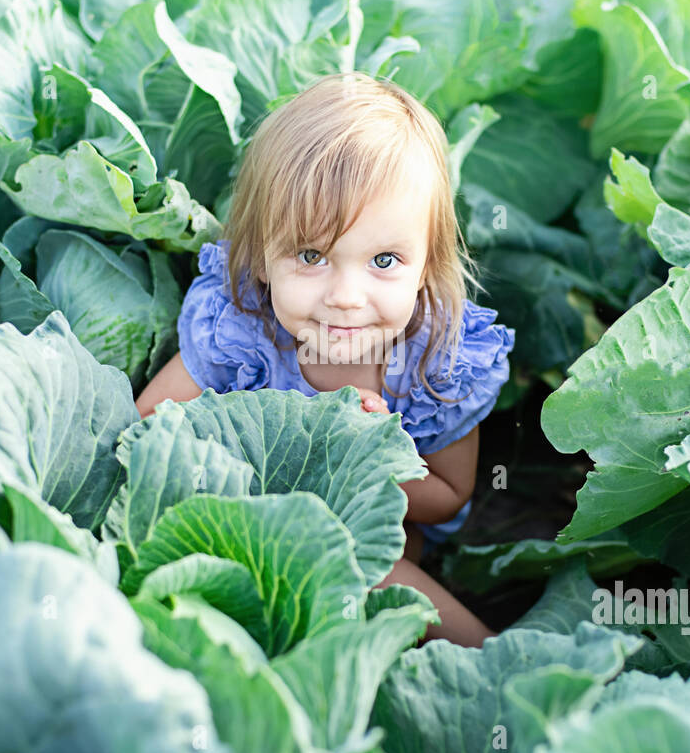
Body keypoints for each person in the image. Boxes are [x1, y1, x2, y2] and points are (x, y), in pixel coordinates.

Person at [134, 72, 515, 648]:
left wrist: (371, 457)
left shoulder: (436, 362)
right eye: (311, 255)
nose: (346, 295)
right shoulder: (241, 330)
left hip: (387, 527)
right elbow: (147, 422)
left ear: (426, 267)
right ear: (261, 258)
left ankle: (494, 655)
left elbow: (448, 497)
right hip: (250, 513)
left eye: (384, 261)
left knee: (363, 569)